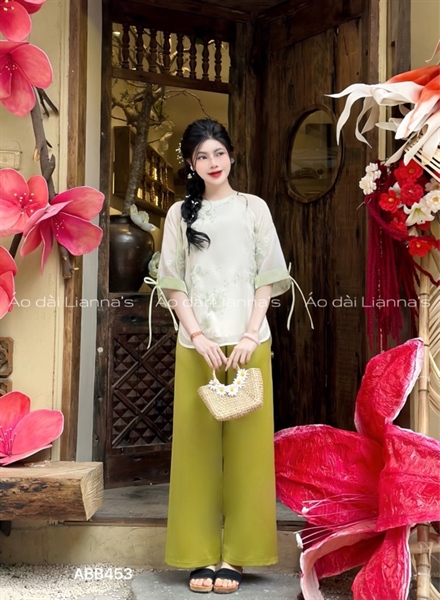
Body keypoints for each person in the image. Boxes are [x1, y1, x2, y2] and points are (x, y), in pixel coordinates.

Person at [157, 118, 292, 594]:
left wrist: (252, 334)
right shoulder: (179, 214)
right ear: (191, 164)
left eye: (218, 153)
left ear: (231, 155)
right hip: (198, 345)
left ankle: (237, 557)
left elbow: (267, 274)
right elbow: (171, 279)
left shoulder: (254, 208)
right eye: (202, 156)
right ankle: (198, 555)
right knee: (195, 452)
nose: (212, 163)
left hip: (249, 343)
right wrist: (198, 334)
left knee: (248, 454)